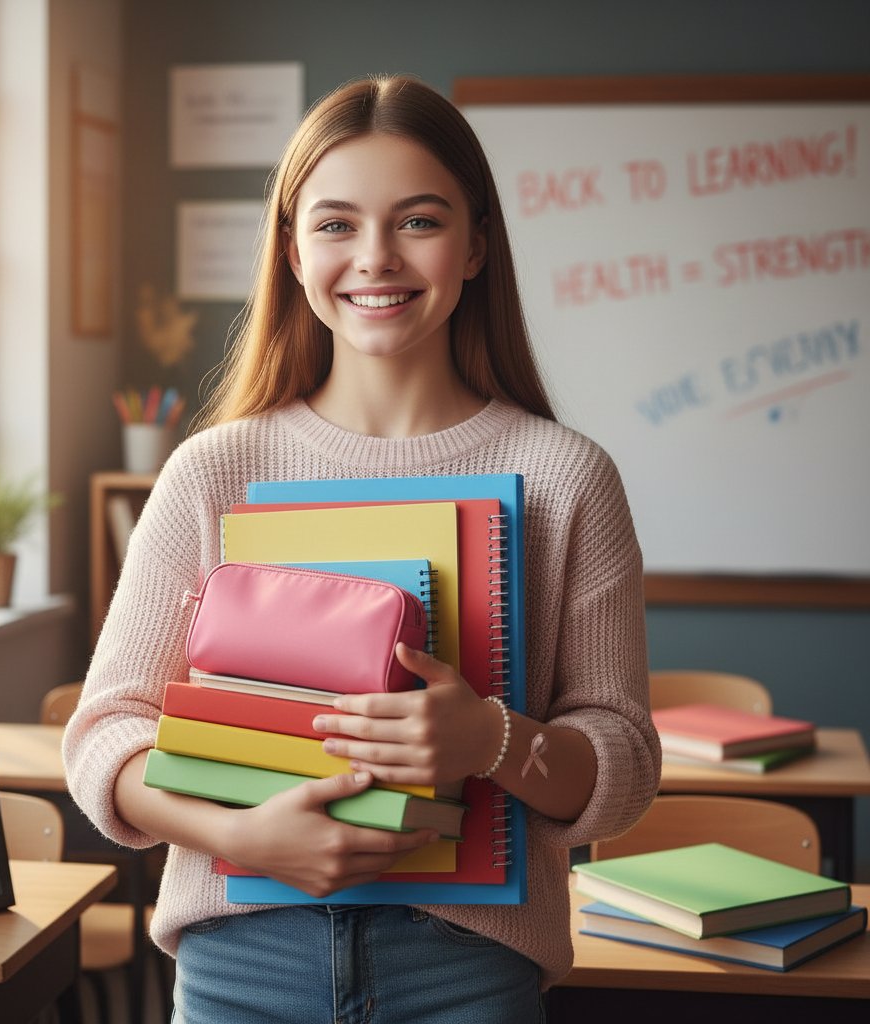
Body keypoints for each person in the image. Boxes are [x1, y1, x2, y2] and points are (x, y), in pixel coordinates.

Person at [63, 74, 660, 1023]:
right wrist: (244, 836)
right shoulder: (214, 469)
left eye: (418, 220)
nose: (375, 258)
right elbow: (107, 735)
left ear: (476, 246)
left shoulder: (566, 477)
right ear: (292, 253)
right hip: (240, 963)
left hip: (467, 970)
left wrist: (491, 739)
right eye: (336, 224)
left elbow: (622, 763)